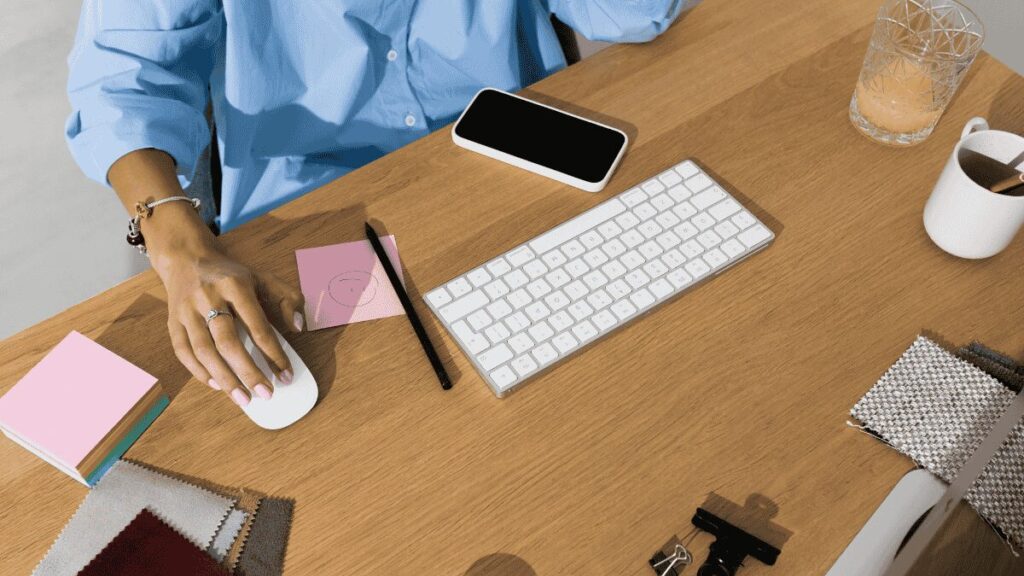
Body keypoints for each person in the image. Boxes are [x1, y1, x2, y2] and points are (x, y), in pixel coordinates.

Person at [66, 1, 689, 406]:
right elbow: (121, 80)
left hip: (525, 179)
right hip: (316, 229)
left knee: (639, 396)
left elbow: (632, 12)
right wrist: (177, 247)